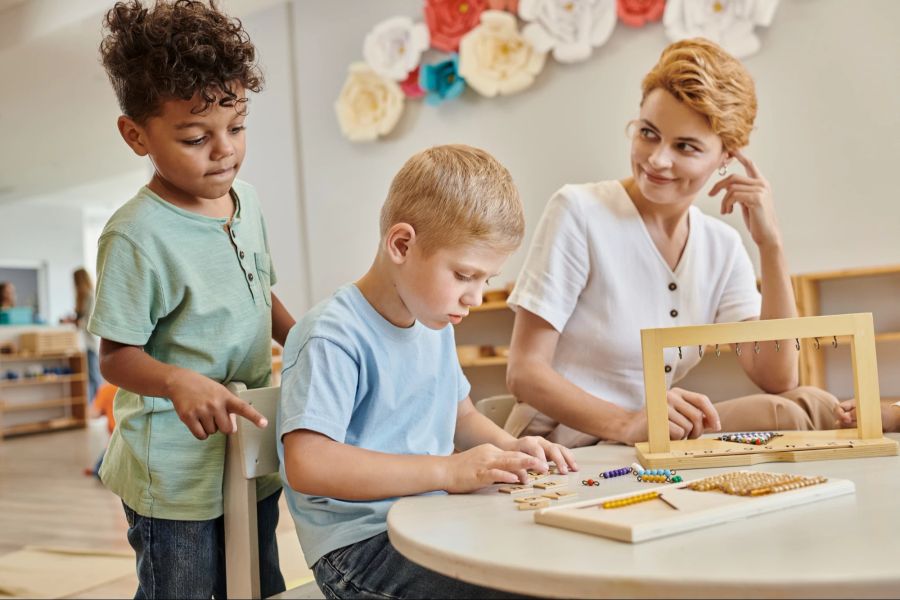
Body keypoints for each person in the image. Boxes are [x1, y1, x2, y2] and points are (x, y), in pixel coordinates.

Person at [504, 38, 840, 448]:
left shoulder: (722, 246)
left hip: (646, 449)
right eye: (648, 133)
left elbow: (778, 376)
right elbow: (524, 372)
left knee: (796, 406)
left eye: (685, 146)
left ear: (725, 158)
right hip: (558, 447)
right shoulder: (579, 211)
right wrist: (629, 423)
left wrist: (771, 246)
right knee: (794, 413)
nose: (658, 160)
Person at [278, 144, 577, 599]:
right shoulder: (331, 335)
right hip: (361, 550)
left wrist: (511, 448)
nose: (475, 297)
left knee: (555, 566)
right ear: (401, 244)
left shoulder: (433, 322)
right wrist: (447, 472)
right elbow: (309, 464)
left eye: (486, 281)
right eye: (463, 275)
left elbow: (462, 418)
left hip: (433, 523)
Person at [88, 1, 295, 597]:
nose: (224, 149)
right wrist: (179, 381)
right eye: (195, 137)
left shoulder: (246, 202)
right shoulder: (136, 234)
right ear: (136, 135)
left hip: (249, 445)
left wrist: (304, 334)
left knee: (259, 582)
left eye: (237, 126)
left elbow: (262, 291)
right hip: (175, 472)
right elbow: (116, 357)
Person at [62, 269, 103, 402]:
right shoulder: (83, 299)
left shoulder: (91, 297)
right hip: (84, 344)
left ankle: (98, 406)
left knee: (94, 377)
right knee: (90, 377)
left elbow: (90, 323)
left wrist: (75, 321)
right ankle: (93, 406)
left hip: (91, 344)